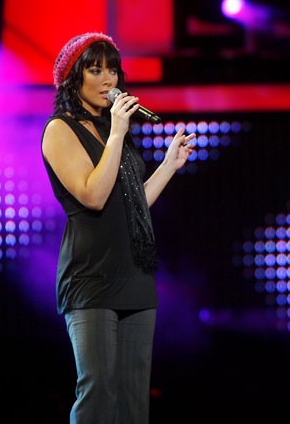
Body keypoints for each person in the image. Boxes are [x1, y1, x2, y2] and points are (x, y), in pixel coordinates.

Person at [41, 32, 196, 424]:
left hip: (134, 274)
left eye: (112, 70)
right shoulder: (61, 129)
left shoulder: (115, 132)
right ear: (74, 78)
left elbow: (132, 204)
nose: (108, 79)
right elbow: (93, 196)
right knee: (99, 391)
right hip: (92, 276)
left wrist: (168, 165)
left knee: (132, 396)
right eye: (96, 70)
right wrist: (115, 133)